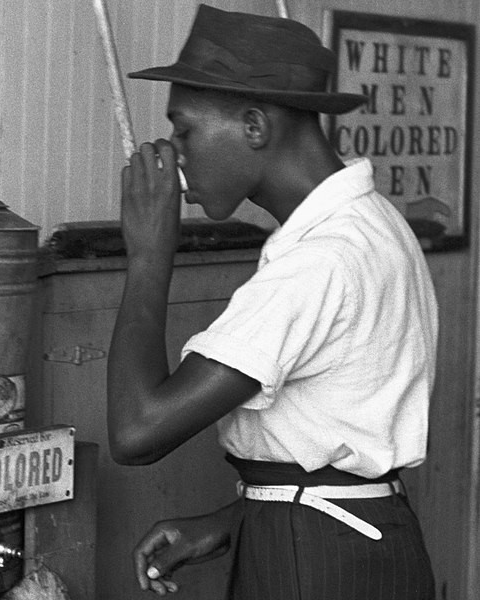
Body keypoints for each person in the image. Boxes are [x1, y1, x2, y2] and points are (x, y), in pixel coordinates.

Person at [106, 5, 438, 599]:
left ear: (255, 126)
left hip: (319, 560)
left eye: (185, 131)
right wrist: (236, 521)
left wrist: (149, 255)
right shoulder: (368, 223)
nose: (176, 156)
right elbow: (338, 441)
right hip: (343, 534)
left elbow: (138, 430)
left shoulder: (323, 259)